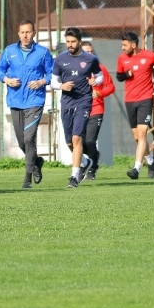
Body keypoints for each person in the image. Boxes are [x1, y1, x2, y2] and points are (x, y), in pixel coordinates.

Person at [0, 19, 53, 189]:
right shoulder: (9, 51)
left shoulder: (42, 52)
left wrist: (41, 82)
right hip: (15, 100)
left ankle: (27, 178)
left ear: (34, 33)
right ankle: (37, 162)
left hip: (35, 100)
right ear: (18, 33)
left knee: (29, 138)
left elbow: (52, 74)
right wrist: (7, 80)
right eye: (22, 32)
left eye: (28, 32)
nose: (25, 35)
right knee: (22, 142)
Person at [50, 28, 102, 188]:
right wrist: (61, 86)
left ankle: (74, 176)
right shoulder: (59, 59)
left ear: (79, 41)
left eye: (73, 42)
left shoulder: (90, 59)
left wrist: (96, 82)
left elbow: (100, 75)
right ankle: (85, 161)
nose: (70, 45)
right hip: (67, 103)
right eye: (68, 42)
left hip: (84, 102)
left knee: (77, 138)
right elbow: (53, 82)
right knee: (69, 141)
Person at [116, 32, 154, 180]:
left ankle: (136, 169)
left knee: (142, 134)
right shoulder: (122, 58)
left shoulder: (150, 56)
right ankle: (151, 161)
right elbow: (119, 77)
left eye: (125, 45)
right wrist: (126, 74)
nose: (122, 48)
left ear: (133, 45)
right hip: (129, 100)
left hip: (145, 99)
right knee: (137, 136)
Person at [80, 41, 115, 180]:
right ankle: (90, 159)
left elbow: (110, 87)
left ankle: (93, 166)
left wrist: (100, 93)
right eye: (86, 52)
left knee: (89, 141)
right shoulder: (75, 70)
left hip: (96, 109)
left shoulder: (100, 69)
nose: (89, 54)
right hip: (80, 109)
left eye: (91, 51)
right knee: (77, 142)